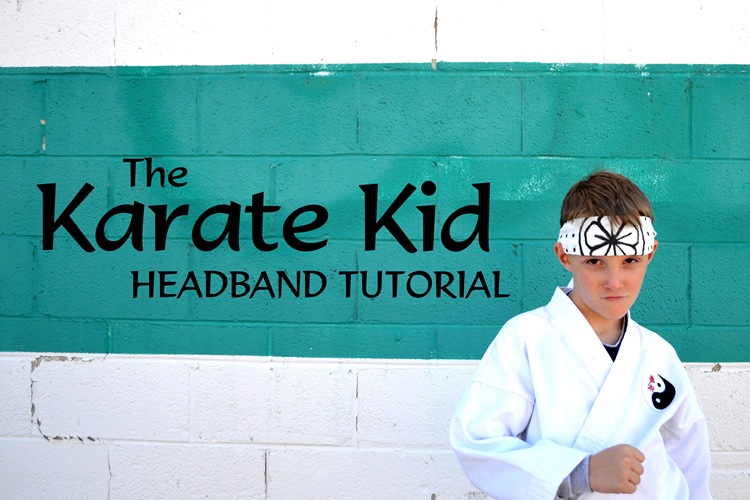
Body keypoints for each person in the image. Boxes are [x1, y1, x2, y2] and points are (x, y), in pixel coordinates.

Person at [450, 171, 711, 499]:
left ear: (650, 253)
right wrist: (579, 473)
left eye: (630, 260)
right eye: (595, 261)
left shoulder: (660, 355)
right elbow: (477, 443)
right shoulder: (526, 338)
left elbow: (691, 463)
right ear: (564, 256)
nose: (614, 281)